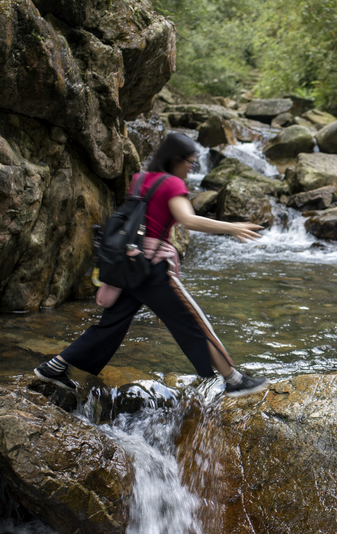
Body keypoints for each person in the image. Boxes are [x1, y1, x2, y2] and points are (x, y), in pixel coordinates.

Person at [33, 132, 270, 397]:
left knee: (110, 326)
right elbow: (188, 220)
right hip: (151, 270)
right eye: (190, 163)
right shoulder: (172, 184)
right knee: (194, 322)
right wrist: (232, 227)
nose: (191, 169)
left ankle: (54, 367)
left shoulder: (141, 179)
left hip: (127, 265)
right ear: (176, 160)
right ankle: (234, 379)